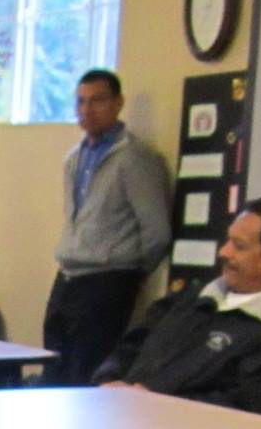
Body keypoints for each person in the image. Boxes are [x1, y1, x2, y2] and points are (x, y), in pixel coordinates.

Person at [95, 195, 261, 418]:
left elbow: (252, 411)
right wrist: (109, 379)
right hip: (123, 419)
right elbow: (132, 344)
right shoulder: (196, 296)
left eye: (239, 246)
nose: (223, 252)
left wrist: (158, 405)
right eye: (227, 240)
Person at [43, 69, 172, 386]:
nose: (87, 110)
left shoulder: (134, 157)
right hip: (69, 275)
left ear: (118, 104)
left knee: (86, 374)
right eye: (81, 102)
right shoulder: (74, 158)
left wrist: (130, 273)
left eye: (98, 101)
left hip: (107, 280)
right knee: (53, 366)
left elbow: (157, 230)